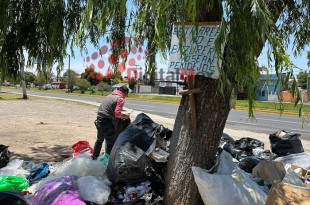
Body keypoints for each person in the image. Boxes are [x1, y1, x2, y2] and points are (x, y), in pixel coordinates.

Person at [92, 85, 130, 160]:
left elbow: (109, 108)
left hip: (99, 119)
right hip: (106, 121)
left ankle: (94, 157)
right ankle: (108, 162)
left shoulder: (110, 96)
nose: (126, 96)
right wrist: (125, 116)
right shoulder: (120, 99)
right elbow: (117, 114)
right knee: (110, 142)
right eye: (126, 94)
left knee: (99, 140)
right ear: (125, 93)